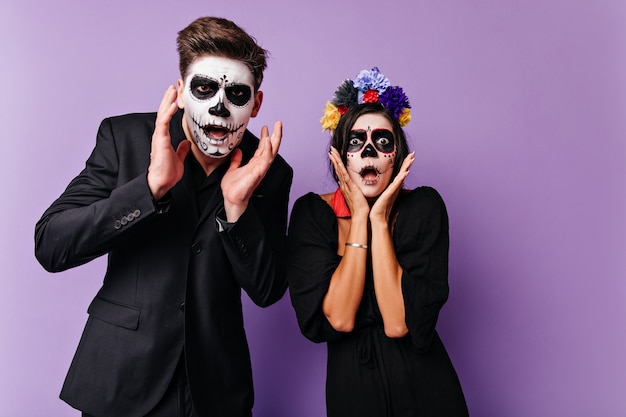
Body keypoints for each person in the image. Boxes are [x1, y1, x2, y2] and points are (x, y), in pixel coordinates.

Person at [34, 16, 292, 417]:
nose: (219, 107)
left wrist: (238, 211)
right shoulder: (125, 139)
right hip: (121, 379)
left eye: (237, 93)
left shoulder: (271, 170)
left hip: (214, 390)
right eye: (204, 89)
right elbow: (51, 244)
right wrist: (148, 190)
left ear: (256, 103)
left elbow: (269, 289)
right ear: (181, 91)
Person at [287, 67, 468, 417]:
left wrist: (379, 219)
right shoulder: (312, 214)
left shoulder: (423, 207)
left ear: (397, 155)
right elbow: (339, 319)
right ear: (339, 155)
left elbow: (398, 323)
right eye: (356, 142)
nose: (369, 151)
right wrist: (358, 217)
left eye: (382, 142)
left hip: (428, 393)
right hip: (353, 394)